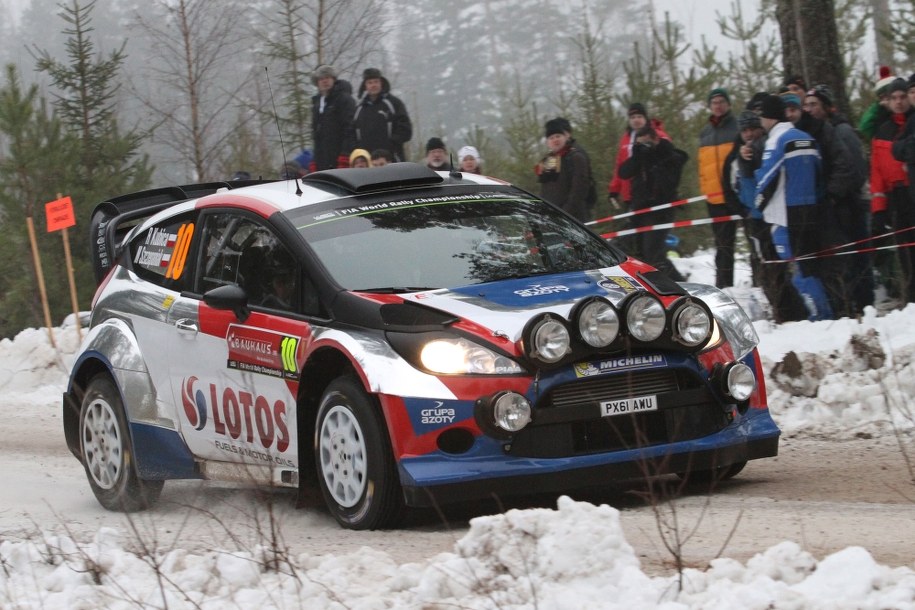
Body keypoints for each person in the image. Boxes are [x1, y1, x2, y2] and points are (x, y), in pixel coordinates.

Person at [755, 94, 833, 321]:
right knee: (810, 266)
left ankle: (819, 315)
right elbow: (820, 172)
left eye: (762, 117)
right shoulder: (806, 137)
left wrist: (758, 206)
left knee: (797, 266)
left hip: (784, 214)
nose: (761, 121)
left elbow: (767, 177)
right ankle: (825, 310)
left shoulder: (776, 140)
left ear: (769, 117)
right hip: (811, 208)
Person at [800, 85, 873, 315]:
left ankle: (864, 305)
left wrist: (832, 194)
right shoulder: (815, 132)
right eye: (806, 105)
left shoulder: (841, 130)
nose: (809, 109)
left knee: (855, 256)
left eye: (814, 104)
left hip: (850, 205)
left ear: (826, 107)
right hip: (834, 207)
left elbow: (854, 169)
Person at [617, 124, 687, 281]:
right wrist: (637, 154)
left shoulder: (669, 156)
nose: (644, 147)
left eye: (647, 143)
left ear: (656, 139)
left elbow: (669, 183)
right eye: (640, 143)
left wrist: (654, 157)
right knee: (637, 252)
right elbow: (623, 173)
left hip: (661, 211)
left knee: (653, 252)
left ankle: (679, 283)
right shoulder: (641, 157)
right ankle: (658, 284)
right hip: (640, 210)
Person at [698, 87, 740, 288]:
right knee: (723, 246)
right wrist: (706, 190)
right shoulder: (705, 132)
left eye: (722, 101)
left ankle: (762, 284)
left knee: (755, 242)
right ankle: (724, 286)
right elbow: (702, 166)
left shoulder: (738, 127)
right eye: (714, 102)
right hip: (715, 199)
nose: (718, 105)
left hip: (738, 195)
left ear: (729, 104)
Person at [880, 77, 915, 303]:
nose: (901, 101)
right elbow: (897, 150)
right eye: (895, 98)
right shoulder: (888, 126)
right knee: (906, 251)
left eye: (905, 96)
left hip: (908, 189)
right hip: (900, 194)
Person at [608, 103, 671, 212]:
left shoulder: (658, 134)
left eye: (639, 117)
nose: (636, 120)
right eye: (632, 117)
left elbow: (670, 160)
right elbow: (619, 164)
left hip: (654, 192)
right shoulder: (625, 138)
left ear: (645, 118)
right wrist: (614, 189)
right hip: (629, 193)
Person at [535, 117, 594, 223]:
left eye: (558, 136)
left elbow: (578, 190)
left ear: (565, 137)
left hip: (573, 218)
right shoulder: (549, 160)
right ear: (548, 142)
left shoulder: (575, 157)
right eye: (551, 138)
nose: (555, 140)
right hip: (552, 217)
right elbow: (545, 191)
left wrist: (565, 213)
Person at [352, 68, 413, 162]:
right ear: (365, 85)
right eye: (370, 83)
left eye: (376, 82)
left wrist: (391, 144)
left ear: (381, 83)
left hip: (391, 159)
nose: (373, 85)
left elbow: (406, 130)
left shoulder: (394, 103)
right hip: (367, 162)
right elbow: (352, 134)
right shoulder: (359, 108)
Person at [311, 65, 356, 171]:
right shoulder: (317, 104)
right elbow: (316, 136)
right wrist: (315, 160)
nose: (324, 81)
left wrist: (345, 155)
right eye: (321, 79)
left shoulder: (344, 99)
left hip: (341, 158)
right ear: (317, 82)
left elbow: (350, 129)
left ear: (334, 79)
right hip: (323, 161)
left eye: (327, 77)